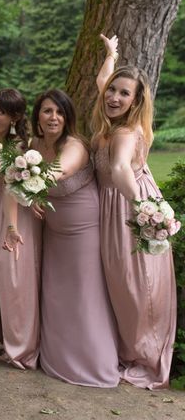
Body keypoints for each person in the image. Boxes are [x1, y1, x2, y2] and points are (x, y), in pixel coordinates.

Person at [92, 34, 176, 389]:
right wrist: (111, 54)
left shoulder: (126, 132)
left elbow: (122, 170)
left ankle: (147, 356)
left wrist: (143, 208)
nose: (113, 97)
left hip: (130, 208)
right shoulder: (110, 118)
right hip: (111, 210)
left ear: (137, 100)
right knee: (119, 283)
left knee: (137, 283)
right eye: (113, 91)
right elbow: (101, 81)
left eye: (124, 93)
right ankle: (129, 349)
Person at [28, 89, 119, 387]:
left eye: (59, 112)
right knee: (57, 293)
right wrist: (30, 193)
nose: (53, 117)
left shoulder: (75, 145)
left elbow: (60, 169)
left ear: (67, 117)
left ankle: (93, 363)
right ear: (38, 116)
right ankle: (58, 359)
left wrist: (31, 185)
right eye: (47, 111)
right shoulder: (34, 145)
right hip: (54, 232)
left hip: (83, 230)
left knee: (85, 293)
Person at [0, 88, 42, 369]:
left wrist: (11, 226)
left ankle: (21, 347)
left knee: (15, 276)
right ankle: (3, 336)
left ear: (16, 116)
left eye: (0, 111)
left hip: (15, 215)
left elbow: (11, 188)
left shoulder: (20, 147)